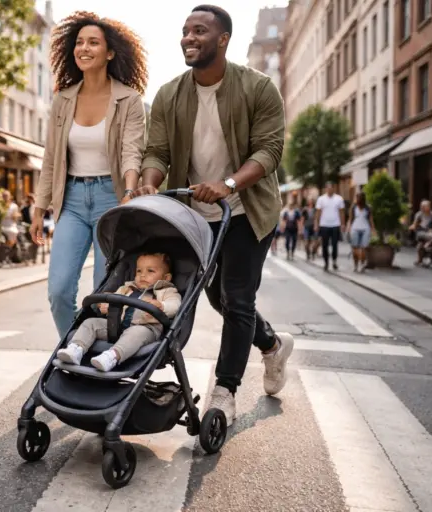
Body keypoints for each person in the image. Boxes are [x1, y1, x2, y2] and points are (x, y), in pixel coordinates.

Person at [131, 5, 295, 426]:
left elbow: (269, 150)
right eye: (185, 31)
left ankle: (226, 390)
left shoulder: (258, 88)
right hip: (195, 214)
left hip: (246, 209)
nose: (189, 37)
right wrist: (150, 182)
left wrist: (228, 184)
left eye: (200, 31)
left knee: (238, 297)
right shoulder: (169, 94)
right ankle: (273, 344)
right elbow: (158, 151)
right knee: (217, 296)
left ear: (223, 40)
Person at [30, 11, 148, 338]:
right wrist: (39, 209)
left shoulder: (128, 99)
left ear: (109, 53)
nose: (84, 48)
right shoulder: (63, 100)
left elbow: (131, 150)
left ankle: (95, 352)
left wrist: (128, 192)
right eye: (79, 42)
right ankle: (74, 348)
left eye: (93, 42)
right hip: (71, 202)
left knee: (103, 295)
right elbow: (51, 157)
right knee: (58, 291)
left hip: (112, 199)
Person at [57, 252, 181, 372]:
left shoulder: (166, 291)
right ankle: (76, 349)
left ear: (166, 277)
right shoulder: (126, 288)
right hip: (117, 325)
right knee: (91, 323)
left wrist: (162, 306)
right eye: (139, 271)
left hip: (146, 329)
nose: (143, 275)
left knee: (136, 333)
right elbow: (114, 300)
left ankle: (111, 357)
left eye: (150, 271)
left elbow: (175, 305)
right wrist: (106, 304)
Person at [314, 182, 345, 271]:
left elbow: (341, 212)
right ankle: (326, 262)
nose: (329, 190)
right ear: (326, 189)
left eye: (331, 188)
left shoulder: (339, 199)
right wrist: (316, 223)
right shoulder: (321, 199)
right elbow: (318, 212)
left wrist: (342, 224)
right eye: (328, 188)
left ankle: (334, 260)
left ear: (333, 189)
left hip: (335, 224)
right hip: (324, 225)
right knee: (325, 245)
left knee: (335, 244)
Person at [346, 192, 375, 272]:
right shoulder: (353, 207)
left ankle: (362, 264)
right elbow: (350, 219)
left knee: (363, 248)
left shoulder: (368, 208)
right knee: (355, 248)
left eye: (360, 197)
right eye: (357, 197)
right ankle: (355, 265)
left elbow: (370, 220)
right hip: (355, 228)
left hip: (365, 229)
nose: (358, 199)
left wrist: (373, 230)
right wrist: (348, 228)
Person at [408, 199, 432, 265]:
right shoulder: (419, 214)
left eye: (425, 206)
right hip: (420, 232)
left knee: (421, 245)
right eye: (422, 206)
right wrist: (412, 227)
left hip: (429, 232)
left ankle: (422, 260)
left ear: (429, 206)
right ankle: (424, 253)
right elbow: (415, 224)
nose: (422, 207)